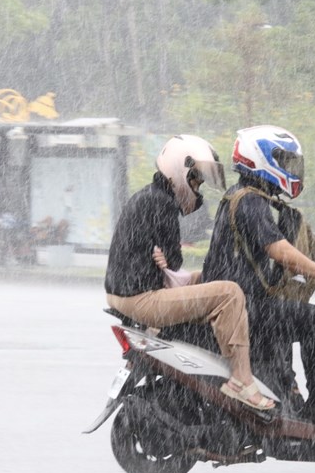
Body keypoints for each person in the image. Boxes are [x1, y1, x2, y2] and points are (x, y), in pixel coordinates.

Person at [201, 125, 315, 432]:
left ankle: (289, 393)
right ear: (261, 160)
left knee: (287, 312)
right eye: (285, 161)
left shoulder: (249, 198)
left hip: (243, 303)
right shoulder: (248, 201)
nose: (291, 169)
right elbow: (281, 251)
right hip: (241, 309)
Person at [105, 135, 274, 411]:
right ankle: (242, 380)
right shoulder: (162, 203)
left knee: (204, 279)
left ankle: (214, 352)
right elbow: (174, 260)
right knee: (230, 292)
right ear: (181, 170)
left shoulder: (150, 195)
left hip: (127, 293)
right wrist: (165, 257)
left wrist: (164, 257)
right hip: (140, 299)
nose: (198, 187)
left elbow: (167, 260)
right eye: (196, 180)